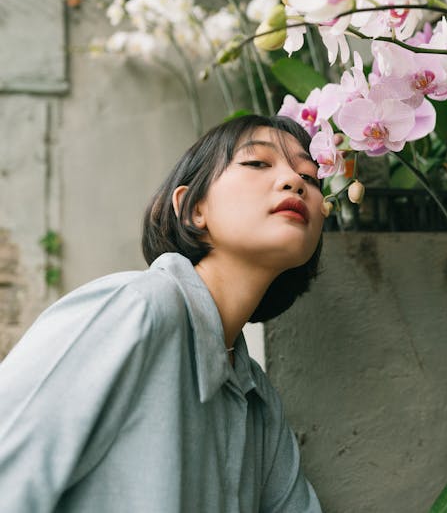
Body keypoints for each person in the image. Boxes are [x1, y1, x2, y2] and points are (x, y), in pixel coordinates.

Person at [0, 114, 326, 512]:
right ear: (192, 209)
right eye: (257, 163)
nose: (294, 181)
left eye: (310, 176)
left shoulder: (258, 400)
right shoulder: (135, 308)